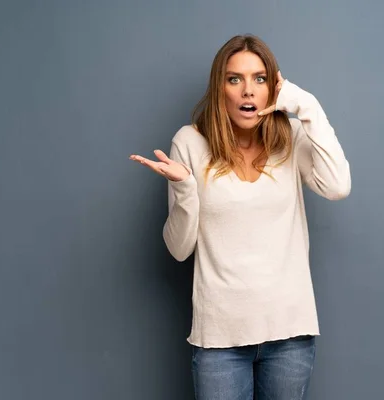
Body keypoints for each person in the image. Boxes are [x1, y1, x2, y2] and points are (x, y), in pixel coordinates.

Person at [130, 34, 351, 400]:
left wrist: (306, 106)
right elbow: (179, 249)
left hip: (290, 334)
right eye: (235, 79)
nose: (248, 90)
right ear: (220, 88)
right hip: (220, 340)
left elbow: (338, 186)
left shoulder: (291, 137)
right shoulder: (189, 142)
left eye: (259, 79)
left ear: (273, 88)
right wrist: (185, 188)